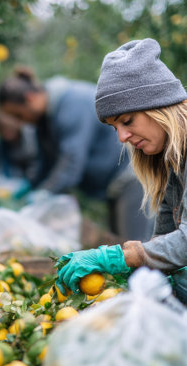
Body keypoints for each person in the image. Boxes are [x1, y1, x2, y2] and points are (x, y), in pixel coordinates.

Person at [56, 38, 187, 303]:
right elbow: (165, 234)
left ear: (160, 106)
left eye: (127, 121)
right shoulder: (174, 161)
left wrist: (117, 257)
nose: (122, 137)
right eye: (114, 127)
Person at [0, 67, 154, 242]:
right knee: (124, 248)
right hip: (111, 187)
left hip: (130, 177)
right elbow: (46, 163)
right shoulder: (44, 120)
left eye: (18, 115)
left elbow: (71, 162)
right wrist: (30, 188)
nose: (21, 122)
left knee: (138, 248)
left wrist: (44, 194)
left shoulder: (73, 103)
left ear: (30, 99)